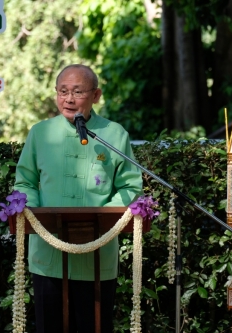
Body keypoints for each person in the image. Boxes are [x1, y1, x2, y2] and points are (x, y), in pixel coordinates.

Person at [13, 64, 142, 333]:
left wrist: (102, 219)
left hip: (97, 253)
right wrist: (40, 219)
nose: (69, 99)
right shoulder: (40, 133)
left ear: (96, 95)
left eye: (78, 92)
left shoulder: (114, 134)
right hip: (48, 254)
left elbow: (130, 186)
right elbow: (24, 182)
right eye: (63, 91)